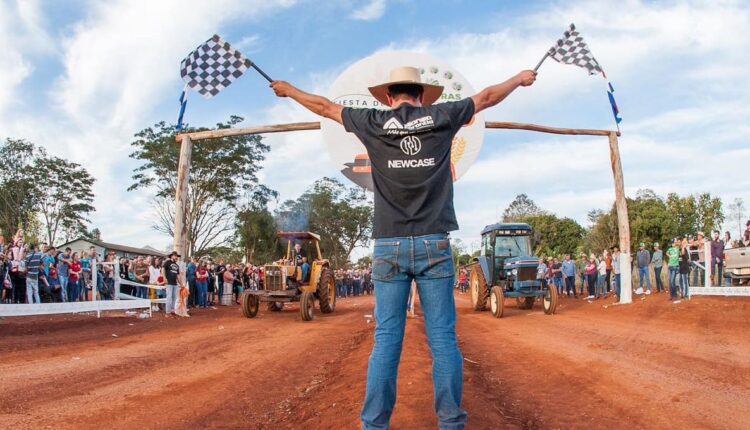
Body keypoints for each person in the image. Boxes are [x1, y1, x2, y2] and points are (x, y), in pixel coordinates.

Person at [272, 64, 537, 428]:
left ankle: (374, 425)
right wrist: (519, 81)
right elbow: (488, 97)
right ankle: (451, 423)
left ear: (389, 97)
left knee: (386, 339)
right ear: (422, 96)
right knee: (443, 337)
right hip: (434, 242)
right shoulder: (442, 115)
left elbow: (324, 107)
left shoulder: (373, 122)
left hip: (389, 245)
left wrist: (290, 89)